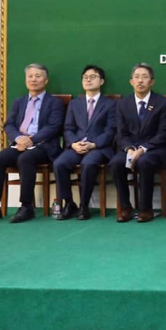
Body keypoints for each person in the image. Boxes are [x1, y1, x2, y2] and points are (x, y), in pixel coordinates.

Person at [0, 63, 64, 224]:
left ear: (46, 80)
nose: (33, 80)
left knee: (25, 158)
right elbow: (9, 125)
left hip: (43, 146)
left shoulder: (54, 102)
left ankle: (26, 207)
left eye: (38, 76)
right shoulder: (19, 102)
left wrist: (31, 140)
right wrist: (19, 139)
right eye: (30, 76)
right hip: (20, 144)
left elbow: (54, 127)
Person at [110, 63, 166, 223]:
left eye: (145, 77)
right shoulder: (123, 104)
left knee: (144, 161)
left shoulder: (162, 103)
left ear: (152, 82)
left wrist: (143, 148)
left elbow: (164, 133)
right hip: (130, 148)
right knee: (116, 162)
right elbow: (121, 133)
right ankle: (125, 207)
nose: (140, 81)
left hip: (156, 148)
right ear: (131, 81)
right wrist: (130, 148)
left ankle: (146, 209)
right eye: (137, 77)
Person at [52, 65, 117, 220]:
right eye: (85, 77)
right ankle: (69, 204)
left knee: (88, 163)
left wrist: (94, 144)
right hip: (76, 146)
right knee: (59, 163)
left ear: (101, 81)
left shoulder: (110, 104)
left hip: (99, 148)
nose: (88, 80)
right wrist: (74, 143)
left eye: (93, 77)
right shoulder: (75, 104)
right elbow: (68, 128)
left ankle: (84, 206)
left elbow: (111, 130)